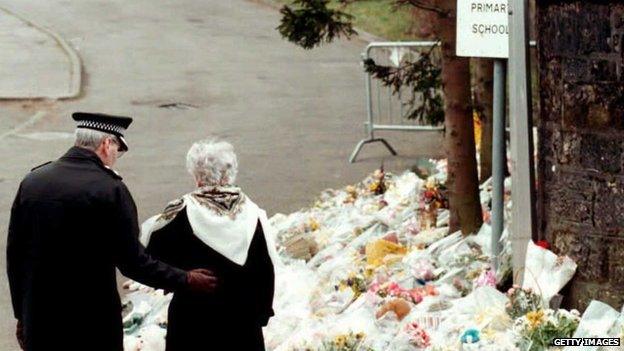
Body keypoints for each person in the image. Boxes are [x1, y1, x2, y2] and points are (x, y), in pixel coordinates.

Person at [6, 112, 218, 351]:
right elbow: (133, 263)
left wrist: (22, 314)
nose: (117, 156)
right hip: (91, 322)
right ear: (107, 144)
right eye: (118, 148)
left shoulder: (33, 181)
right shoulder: (110, 190)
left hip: (41, 318)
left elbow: (16, 257)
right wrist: (186, 279)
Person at [140, 139, 278, 351]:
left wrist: (179, 277)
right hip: (242, 321)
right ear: (228, 174)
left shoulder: (181, 212)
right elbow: (265, 269)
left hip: (195, 320)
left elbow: (149, 254)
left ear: (197, 176)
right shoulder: (252, 214)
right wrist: (261, 313)